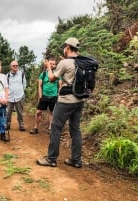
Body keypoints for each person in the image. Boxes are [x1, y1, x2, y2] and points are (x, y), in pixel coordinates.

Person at [36, 37, 84, 168]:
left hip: (66, 101)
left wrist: (48, 68)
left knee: (56, 128)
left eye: (65, 47)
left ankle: (51, 159)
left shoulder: (65, 63)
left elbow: (51, 79)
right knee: (76, 130)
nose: (64, 49)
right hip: (79, 101)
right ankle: (76, 160)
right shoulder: (83, 62)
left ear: (68, 47)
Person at [29, 57, 61, 134]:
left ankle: (50, 129)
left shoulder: (57, 74)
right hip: (44, 96)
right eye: (51, 64)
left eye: (54, 64)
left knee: (51, 113)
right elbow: (40, 86)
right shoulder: (43, 74)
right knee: (38, 112)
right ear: (47, 64)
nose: (52, 65)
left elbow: (60, 86)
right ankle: (35, 127)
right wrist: (40, 96)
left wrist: (58, 96)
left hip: (54, 96)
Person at [6, 60, 26, 131]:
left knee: (20, 112)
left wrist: (21, 93)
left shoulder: (22, 74)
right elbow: (6, 86)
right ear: (11, 66)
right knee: (8, 112)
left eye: (16, 65)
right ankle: (7, 124)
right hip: (10, 97)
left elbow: (24, 85)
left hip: (19, 96)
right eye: (13, 65)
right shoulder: (7, 75)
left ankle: (21, 125)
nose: (15, 67)